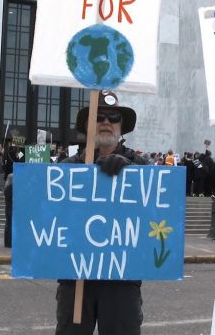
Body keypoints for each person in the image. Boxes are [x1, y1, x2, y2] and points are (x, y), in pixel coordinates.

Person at [56, 90, 146, 335]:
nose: (106, 122)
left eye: (113, 117)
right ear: (87, 125)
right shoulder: (66, 169)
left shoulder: (142, 169)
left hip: (122, 280)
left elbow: (155, 214)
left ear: (121, 126)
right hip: (76, 278)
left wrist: (131, 174)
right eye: (99, 116)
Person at [3, 173, 13, 248]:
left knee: (8, 225)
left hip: (8, 207)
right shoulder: (11, 188)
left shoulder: (7, 187)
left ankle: (7, 242)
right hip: (11, 208)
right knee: (10, 225)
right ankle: (9, 243)